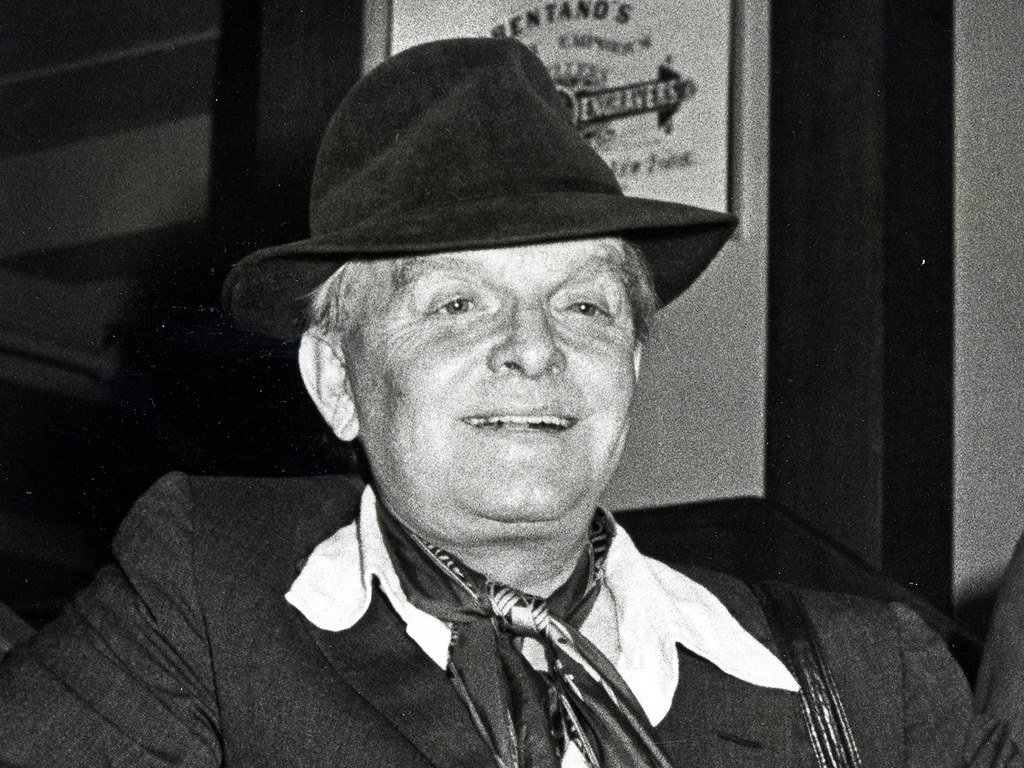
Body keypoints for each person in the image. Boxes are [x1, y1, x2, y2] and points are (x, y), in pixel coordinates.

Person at [0, 36, 1017, 768]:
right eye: (456, 304)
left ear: (631, 366)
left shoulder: (868, 680)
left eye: (584, 305)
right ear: (337, 380)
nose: (534, 348)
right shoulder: (206, 600)